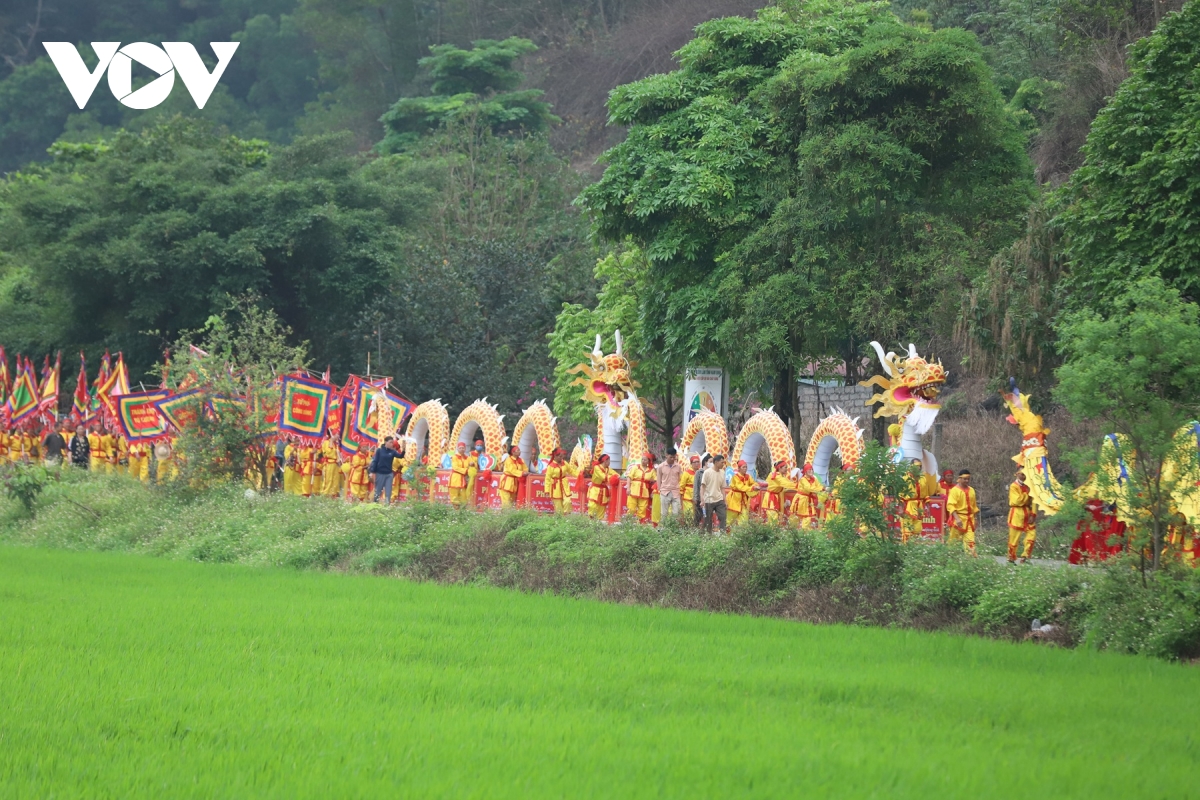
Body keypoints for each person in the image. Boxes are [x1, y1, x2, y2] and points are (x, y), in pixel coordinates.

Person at [946, 470, 979, 556]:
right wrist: (957, 519)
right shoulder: (954, 490)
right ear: (959, 479)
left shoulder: (971, 490)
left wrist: (975, 518)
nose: (967, 481)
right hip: (958, 519)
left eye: (968, 479)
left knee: (970, 542)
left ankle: (970, 562)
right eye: (965, 479)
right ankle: (950, 561)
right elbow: (951, 506)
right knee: (953, 543)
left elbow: (974, 506)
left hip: (969, 520)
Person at [1007, 468, 1036, 563]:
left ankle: (1025, 557)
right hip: (1017, 514)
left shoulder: (1030, 486)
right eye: (1022, 474)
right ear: (1017, 474)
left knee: (1032, 535)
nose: (1024, 476)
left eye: (1025, 474)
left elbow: (1034, 500)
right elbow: (1017, 500)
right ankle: (1011, 558)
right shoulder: (1013, 486)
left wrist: (1033, 514)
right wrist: (1027, 494)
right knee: (1014, 538)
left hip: (1028, 513)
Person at [700, 454, 728, 534]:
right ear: (716, 462)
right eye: (722, 462)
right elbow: (702, 487)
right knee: (708, 520)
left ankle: (723, 534)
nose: (723, 464)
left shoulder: (722, 472)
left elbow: (723, 488)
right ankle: (707, 536)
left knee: (723, 517)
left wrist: (725, 500)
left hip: (719, 499)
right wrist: (702, 500)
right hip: (709, 500)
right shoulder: (707, 472)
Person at [900, 459, 926, 544]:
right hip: (908, 506)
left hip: (919, 507)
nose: (918, 468)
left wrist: (927, 507)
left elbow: (925, 495)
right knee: (907, 531)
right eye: (916, 466)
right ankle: (905, 551)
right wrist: (900, 508)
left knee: (917, 530)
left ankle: (914, 552)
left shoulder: (923, 478)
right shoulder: (905, 478)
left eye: (919, 466)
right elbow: (900, 495)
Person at [726, 459, 758, 526]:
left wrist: (755, 486)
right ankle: (725, 534)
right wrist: (752, 488)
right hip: (734, 500)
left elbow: (754, 483)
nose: (745, 468)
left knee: (744, 520)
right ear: (739, 468)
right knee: (730, 519)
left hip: (743, 501)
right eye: (743, 467)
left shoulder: (748, 476)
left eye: (746, 467)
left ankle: (741, 535)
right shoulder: (735, 477)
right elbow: (741, 487)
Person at [370, 436, 402, 504]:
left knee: (388, 491)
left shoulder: (393, 452)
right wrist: (372, 471)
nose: (392, 444)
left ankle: (387, 506)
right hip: (380, 473)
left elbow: (400, 456)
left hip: (389, 474)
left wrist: (404, 449)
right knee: (378, 490)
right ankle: (375, 504)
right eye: (390, 442)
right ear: (385, 442)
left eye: (392, 443)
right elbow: (375, 461)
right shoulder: (379, 450)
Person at [791, 463, 823, 530]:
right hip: (801, 500)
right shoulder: (803, 479)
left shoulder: (814, 479)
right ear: (805, 471)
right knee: (797, 517)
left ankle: (804, 533)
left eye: (812, 469)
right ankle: (796, 532)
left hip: (808, 499)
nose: (811, 471)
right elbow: (809, 488)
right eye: (809, 469)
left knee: (807, 517)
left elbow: (819, 486)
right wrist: (822, 489)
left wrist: (821, 488)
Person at [626, 452, 656, 522]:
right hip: (634, 490)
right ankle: (627, 523)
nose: (643, 461)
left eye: (645, 460)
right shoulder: (636, 467)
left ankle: (639, 524)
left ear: (648, 461)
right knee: (631, 508)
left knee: (642, 509)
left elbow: (656, 480)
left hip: (644, 492)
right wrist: (628, 488)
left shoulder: (651, 470)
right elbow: (629, 477)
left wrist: (653, 491)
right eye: (642, 459)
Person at [545, 448, 576, 514]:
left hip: (564, 485)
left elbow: (571, 471)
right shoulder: (550, 466)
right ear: (555, 456)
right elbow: (547, 479)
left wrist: (580, 475)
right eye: (560, 456)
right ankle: (561, 520)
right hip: (555, 487)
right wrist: (547, 491)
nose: (562, 458)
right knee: (558, 507)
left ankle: (566, 515)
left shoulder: (564, 463)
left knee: (568, 501)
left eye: (562, 456)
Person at [763, 459, 792, 525]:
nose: (786, 469)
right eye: (785, 467)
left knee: (774, 520)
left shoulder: (781, 476)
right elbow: (787, 484)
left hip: (775, 497)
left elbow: (786, 484)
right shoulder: (776, 476)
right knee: (773, 519)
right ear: (779, 468)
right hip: (771, 498)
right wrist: (799, 486)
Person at [449, 442, 473, 508]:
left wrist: (472, 464)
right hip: (455, 478)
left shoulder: (468, 458)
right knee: (454, 495)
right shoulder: (454, 457)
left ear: (465, 449)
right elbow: (455, 467)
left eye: (463, 448)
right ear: (457, 448)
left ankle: (462, 511)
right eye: (460, 448)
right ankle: (456, 512)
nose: (462, 449)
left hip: (463, 479)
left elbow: (473, 464)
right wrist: (465, 470)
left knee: (463, 496)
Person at [588, 454, 612, 519]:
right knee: (592, 505)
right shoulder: (597, 468)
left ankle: (598, 523)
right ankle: (591, 520)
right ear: (605, 461)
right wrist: (612, 478)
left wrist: (617, 476)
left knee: (602, 507)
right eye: (609, 461)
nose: (610, 462)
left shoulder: (608, 469)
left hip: (604, 490)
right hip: (595, 489)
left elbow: (615, 474)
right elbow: (602, 476)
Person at [680, 454, 700, 522]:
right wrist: (681, 495)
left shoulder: (700, 472)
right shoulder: (687, 473)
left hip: (698, 497)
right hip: (688, 496)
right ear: (691, 463)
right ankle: (688, 529)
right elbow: (682, 485)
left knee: (697, 514)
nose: (697, 463)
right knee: (689, 514)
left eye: (698, 462)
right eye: (695, 462)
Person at [693, 455, 711, 526]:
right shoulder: (699, 472)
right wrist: (695, 497)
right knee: (698, 515)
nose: (712, 463)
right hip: (700, 498)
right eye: (710, 461)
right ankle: (695, 529)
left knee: (708, 516)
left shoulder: (712, 472)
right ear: (705, 462)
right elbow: (696, 485)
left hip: (709, 498)